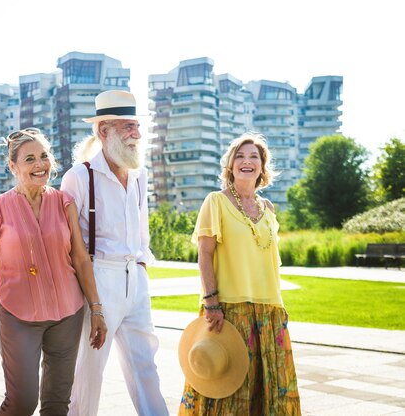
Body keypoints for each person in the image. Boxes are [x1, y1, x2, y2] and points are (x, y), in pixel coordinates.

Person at [0, 128, 107, 416]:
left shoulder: (64, 202)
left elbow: (80, 258)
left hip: (67, 313)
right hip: (18, 316)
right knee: (22, 402)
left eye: (44, 156)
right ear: (13, 166)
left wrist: (96, 309)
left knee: (57, 404)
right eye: (29, 159)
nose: (40, 165)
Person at [61, 90, 169, 416]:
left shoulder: (139, 174)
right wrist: (90, 294)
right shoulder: (79, 176)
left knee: (145, 363)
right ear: (103, 131)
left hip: (134, 277)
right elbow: (66, 242)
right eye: (127, 127)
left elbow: (142, 231)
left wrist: (140, 269)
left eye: (136, 126)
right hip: (97, 279)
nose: (136, 134)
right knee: (88, 370)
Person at [179, 132, 301, 415]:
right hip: (230, 308)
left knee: (273, 390)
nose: (247, 162)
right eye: (240, 156)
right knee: (227, 391)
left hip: (269, 310)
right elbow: (205, 254)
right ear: (230, 165)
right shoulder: (216, 202)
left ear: (262, 166)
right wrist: (211, 301)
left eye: (254, 157)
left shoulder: (268, 208)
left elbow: (270, 261)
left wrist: (279, 309)